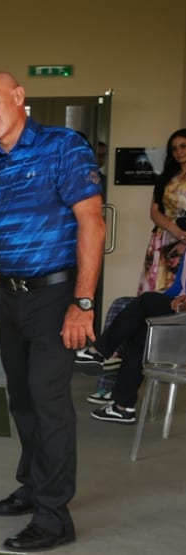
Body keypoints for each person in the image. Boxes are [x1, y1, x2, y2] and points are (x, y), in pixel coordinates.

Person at [0, 72, 105, 551]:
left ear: (20, 98)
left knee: (49, 402)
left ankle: (55, 516)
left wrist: (82, 303)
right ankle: (35, 485)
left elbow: (92, 223)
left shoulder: (64, 147)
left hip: (58, 295)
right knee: (21, 399)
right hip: (12, 298)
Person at [85, 262, 185, 423]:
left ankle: (101, 352)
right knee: (139, 335)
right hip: (179, 311)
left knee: (147, 301)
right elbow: (177, 289)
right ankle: (122, 408)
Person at [138, 128, 186, 293]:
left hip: (183, 240)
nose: (179, 152)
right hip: (163, 236)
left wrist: (182, 239)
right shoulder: (166, 177)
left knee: (178, 293)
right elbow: (154, 211)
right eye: (174, 148)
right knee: (154, 292)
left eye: (183, 146)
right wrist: (176, 231)